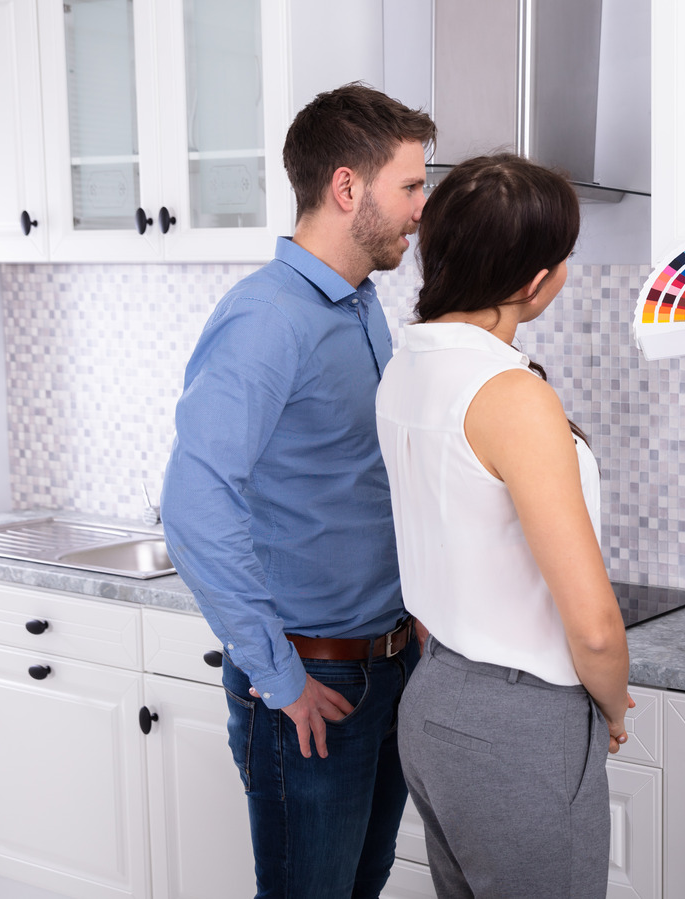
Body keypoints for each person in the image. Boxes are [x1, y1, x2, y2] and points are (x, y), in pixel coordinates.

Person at [162, 83, 436, 898]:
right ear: (347, 188)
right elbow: (193, 504)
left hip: (384, 668)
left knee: (360, 886)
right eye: (412, 186)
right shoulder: (268, 319)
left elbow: (360, 477)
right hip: (312, 685)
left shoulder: (360, 305)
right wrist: (279, 677)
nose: (423, 208)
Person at [375, 154, 632, 899]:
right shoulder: (511, 396)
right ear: (533, 281)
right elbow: (594, 628)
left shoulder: (408, 366)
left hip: (436, 702)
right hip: (518, 724)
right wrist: (612, 706)